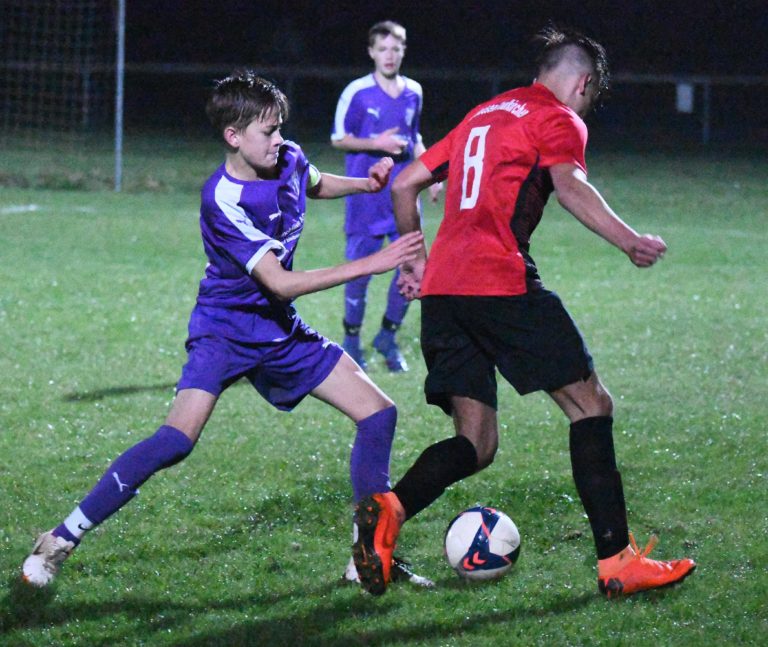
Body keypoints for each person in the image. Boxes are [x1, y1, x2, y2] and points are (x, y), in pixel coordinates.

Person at [21, 70, 427, 590]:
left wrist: (364, 184)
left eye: (280, 127)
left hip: (278, 329)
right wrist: (373, 263)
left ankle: (368, 554)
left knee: (378, 414)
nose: (278, 139)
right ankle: (60, 538)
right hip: (225, 330)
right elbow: (279, 282)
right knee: (175, 440)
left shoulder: (287, 155)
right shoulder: (223, 199)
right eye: (266, 131)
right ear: (233, 136)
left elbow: (314, 182)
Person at [352, 27, 696, 598]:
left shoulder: (482, 113)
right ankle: (618, 560)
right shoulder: (559, 117)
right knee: (591, 403)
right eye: (589, 94)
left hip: (443, 293)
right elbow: (572, 187)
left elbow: (407, 184)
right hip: (499, 282)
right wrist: (629, 240)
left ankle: (389, 511)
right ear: (582, 82)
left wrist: (414, 262)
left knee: (477, 441)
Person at [331, 20, 441, 373]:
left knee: (413, 270)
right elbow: (338, 138)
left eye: (396, 48)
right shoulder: (357, 92)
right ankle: (351, 339)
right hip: (367, 198)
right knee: (360, 273)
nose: (389, 55)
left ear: (403, 51)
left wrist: (432, 172)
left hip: (405, 197)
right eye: (383, 49)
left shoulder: (414, 91)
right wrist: (376, 143)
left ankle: (387, 337)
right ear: (372, 52)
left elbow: (414, 135)